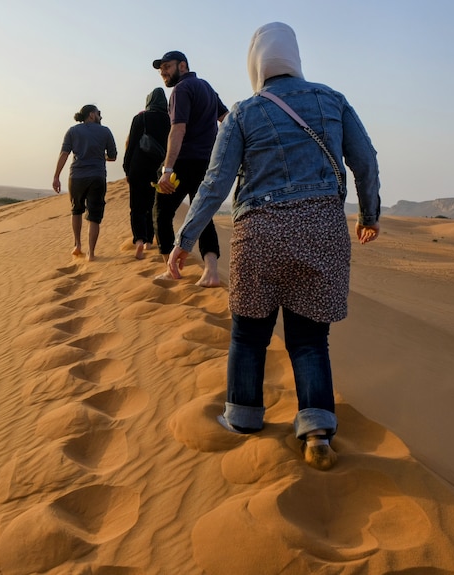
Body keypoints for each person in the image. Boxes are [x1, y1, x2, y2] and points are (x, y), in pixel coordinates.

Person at [168, 22, 381, 470]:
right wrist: (370, 215)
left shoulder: (245, 112)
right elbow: (365, 160)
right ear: (293, 57)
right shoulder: (333, 100)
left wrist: (184, 240)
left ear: (257, 63)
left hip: (259, 234)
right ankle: (318, 430)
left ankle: (243, 418)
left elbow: (215, 182)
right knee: (309, 339)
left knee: (248, 335)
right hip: (320, 231)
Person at [153, 50, 228, 286]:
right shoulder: (206, 87)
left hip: (184, 162)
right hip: (207, 163)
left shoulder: (181, 90)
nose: (163, 72)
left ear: (182, 66)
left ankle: (170, 268)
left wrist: (167, 169)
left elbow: (178, 130)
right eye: (161, 69)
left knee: (161, 213)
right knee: (203, 215)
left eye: (167, 67)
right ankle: (211, 271)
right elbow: (226, 118)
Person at [53, 104, 118, 261]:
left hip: (76, 176)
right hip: (97, 177)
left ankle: (77, 245)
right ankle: (91, 253)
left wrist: (56, 176)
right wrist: (101, 157)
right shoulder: (105, 131)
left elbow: (64, 153)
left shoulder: (73, 131)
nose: (100, 116)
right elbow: (113, 156)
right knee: (94, 216)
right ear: (91, 115)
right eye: (98, 113)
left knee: (76, 210)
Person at [123, 88, 170, 260]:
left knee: (136, 206)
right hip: (159, 169)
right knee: (153, 205)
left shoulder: (140, 118)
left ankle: (140, 240)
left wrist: (126, 169)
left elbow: (131, 145)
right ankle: (150, 241)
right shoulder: (170, 120)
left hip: (137, 167)